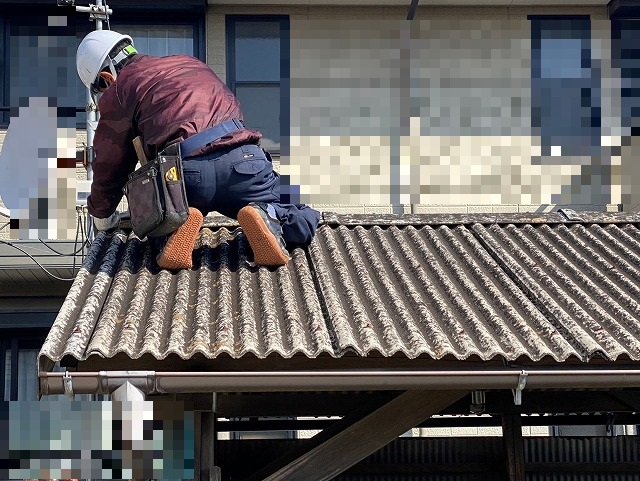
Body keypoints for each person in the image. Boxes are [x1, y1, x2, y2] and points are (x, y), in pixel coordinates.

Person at [76, 30, 320, 269]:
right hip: (243, 164)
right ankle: (271, 218)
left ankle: (172, 230)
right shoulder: (189, 63)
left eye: (99, 92)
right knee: (296, 212)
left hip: (184, 178)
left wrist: (102, 215)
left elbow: (111, 163)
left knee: (158, 216)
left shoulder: (119, 90)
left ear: (107, 78)